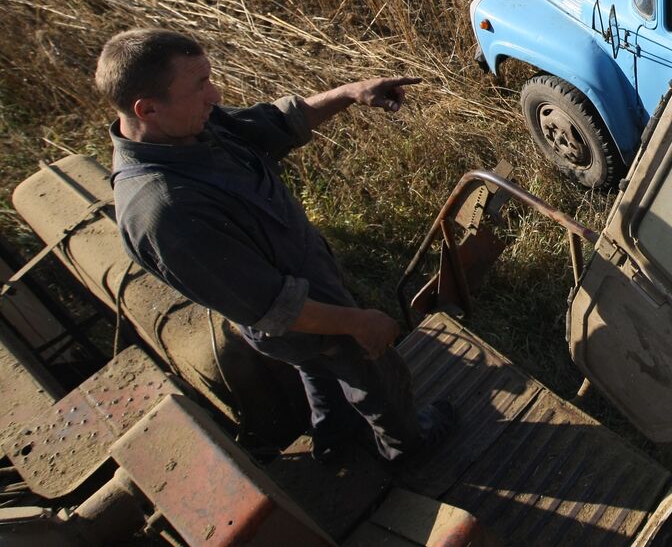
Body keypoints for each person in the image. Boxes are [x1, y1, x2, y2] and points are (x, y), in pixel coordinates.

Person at [96, 27, 453, 462]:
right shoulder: (164, 211)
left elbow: (275, 124)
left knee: (319, 367)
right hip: (299, 315)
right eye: (200, 85)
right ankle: (407, 445)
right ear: (147, 108)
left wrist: (351, 93)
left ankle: (336, 439)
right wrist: (358, 323)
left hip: (308, 294)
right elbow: (275, 307)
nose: (216, 93)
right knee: (373, 373)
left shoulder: (186, 128)